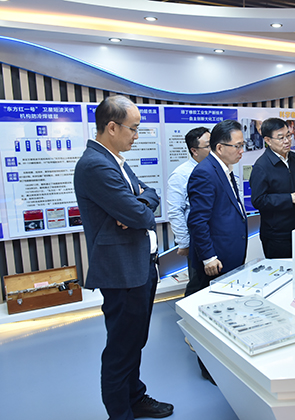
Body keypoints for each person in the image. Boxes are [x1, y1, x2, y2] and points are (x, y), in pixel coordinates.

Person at [74, 95, 173, 420]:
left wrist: (138, 204)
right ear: (112, 127)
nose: (136, 135)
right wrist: (137, 208)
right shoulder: (95, 165)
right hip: (122, 271)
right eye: (133, 128)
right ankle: (120, 413)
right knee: (121, 348)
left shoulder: (115, 159)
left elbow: (151, 195)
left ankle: (135, 397)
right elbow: (141, 215)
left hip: (139, 265)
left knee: (134, 342)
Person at [186, 119, 248, 295]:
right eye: (237, 146)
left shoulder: (223, 168)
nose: (241, 151)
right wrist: (209, 257)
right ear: (220, 148)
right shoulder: (205, 173)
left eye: (242, 145)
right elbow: (198, 221)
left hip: (228, 252)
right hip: (216, 258)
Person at [250, 117, 295, 258]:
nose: (287, 141)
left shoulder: (294, 158)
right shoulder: (261, 166)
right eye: (281, 138)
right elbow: (258, 200)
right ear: (268, 140)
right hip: (276, 235)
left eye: (288, 136)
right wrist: (290, 198)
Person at [166, 127, 210, 293]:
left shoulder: (217, 168)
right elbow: (175, 211)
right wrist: (185, 242)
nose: (213, 148)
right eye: (208, 145)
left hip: (218, 236)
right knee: (198, 285)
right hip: (197, 239)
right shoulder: (181, 174)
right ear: (194, 150)